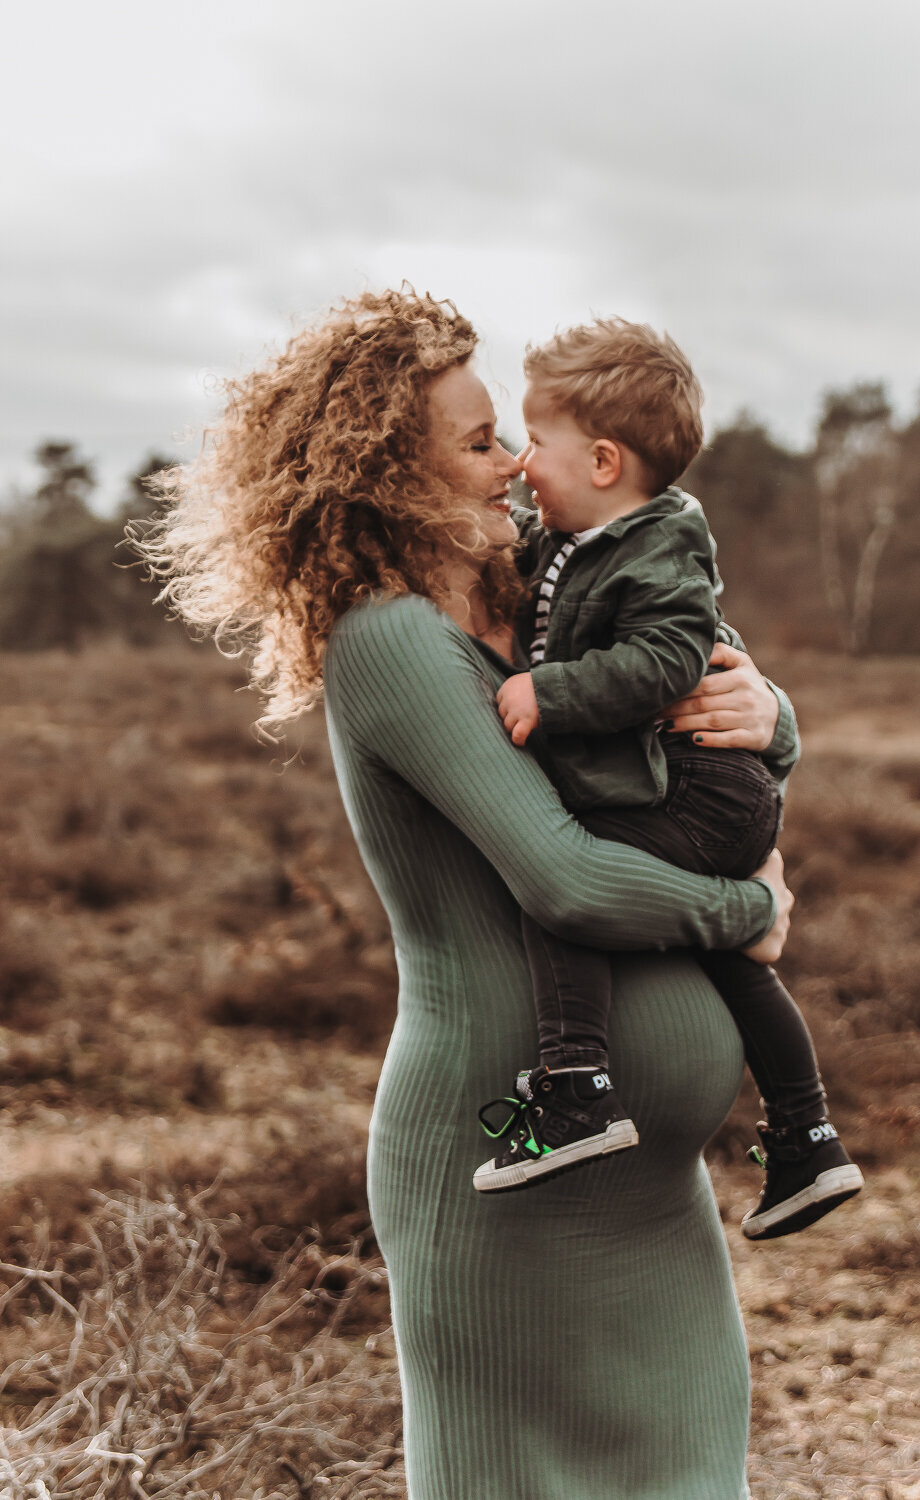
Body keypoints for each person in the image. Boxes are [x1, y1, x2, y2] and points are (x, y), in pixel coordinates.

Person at [136, 288, 796, 1499]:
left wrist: (770, 711)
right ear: (390, 472)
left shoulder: (540, 594)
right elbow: (566, 880)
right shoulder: (387, 643)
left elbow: (690, 675)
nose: (512, 466)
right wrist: (752, 913)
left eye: (507, 437)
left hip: (642, 1187)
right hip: (504, 1183)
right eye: (479, 440)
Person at [473, 318, 864, 1242]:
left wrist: (551, 690)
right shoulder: (587, 535)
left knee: (563, 887)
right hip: (698, 787)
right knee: (734, 961)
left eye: (536, 443)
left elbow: (662, 661)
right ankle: (807, 1135)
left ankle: (577, 1091)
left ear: (604, 460)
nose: (524, 465)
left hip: (700, 790)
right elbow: (536, 569)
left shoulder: (657, 550)